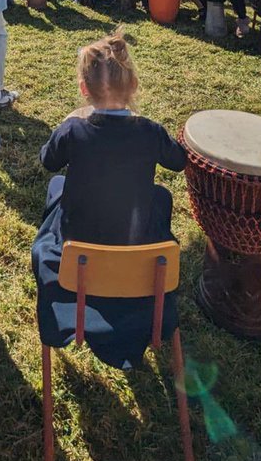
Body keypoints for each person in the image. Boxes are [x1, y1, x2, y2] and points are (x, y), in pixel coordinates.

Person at [31, 30, 186, 367]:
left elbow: (47, 161)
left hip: (79, 253)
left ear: (84, 89)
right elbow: (179, 161)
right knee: (159, 196)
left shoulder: (73, 130)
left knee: (58, 186)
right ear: (132, 85)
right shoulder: (150, 131)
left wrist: (67, 122)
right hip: (139, 249)